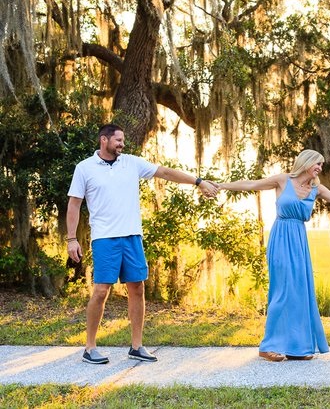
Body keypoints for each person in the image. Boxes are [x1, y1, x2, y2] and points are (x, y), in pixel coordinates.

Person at [211, 149, 330, 362]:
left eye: (322, 165)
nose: (320, 168)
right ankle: (268, 346)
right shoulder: (282, 180)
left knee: (300, 292)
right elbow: (251, 184)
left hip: (299, 241)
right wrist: (220, 186)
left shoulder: (316, 188)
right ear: (306, 162)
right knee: (283, 291)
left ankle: (296, 347)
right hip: (281, 237)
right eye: (318, 164)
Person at [67, 123, 218, 364]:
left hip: (132, 237)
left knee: (137, 288)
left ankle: (136, 346)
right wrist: (72, 239)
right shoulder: (84, 168)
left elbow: (166, 173)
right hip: (104, 238)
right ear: (103, 140)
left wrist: (198, 182)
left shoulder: (132, 163)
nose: (122, 144)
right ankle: (90, 347)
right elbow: (74, 204)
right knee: (101, 291)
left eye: (123, 140)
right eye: (118, 140)